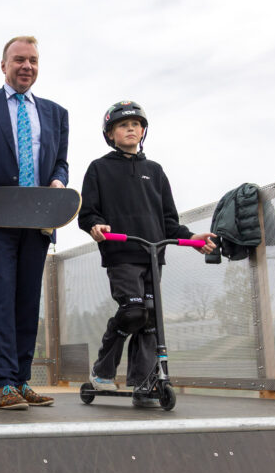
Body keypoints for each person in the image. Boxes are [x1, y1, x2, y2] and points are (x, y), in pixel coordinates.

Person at [78, 101, 215, 407]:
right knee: (133, 312)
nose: (131, 129)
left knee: (151, 320)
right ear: (111, 134)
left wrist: (192, 237)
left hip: (153, 256)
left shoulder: (155, 171)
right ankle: (102, 371)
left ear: (143, 132)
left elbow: (168, 220)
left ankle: (144, 381)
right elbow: (87, 213)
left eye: (136, 125)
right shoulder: (99, 168)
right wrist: (96, 226)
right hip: (121, 252)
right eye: (123, 125)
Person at [0, 36, 67, 410]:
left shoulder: (56, 113)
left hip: (38, 220)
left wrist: (58, 182)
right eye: (19, 59)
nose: (27, 66)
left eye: (33, 60)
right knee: (1, 298)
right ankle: (2, 383)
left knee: (27, 301)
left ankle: (21, 379)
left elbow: (60, 163)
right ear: (3, 65)